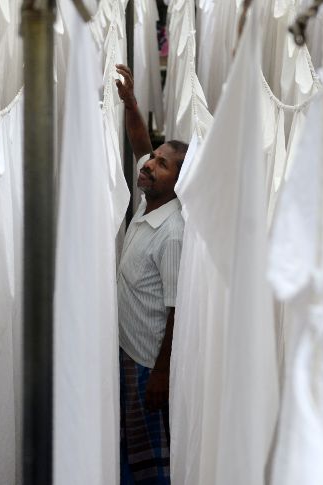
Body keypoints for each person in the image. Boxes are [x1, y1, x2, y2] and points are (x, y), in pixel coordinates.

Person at [115, 63, 187, 485]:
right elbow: (140, 144)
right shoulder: (150, 202)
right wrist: (131, 104)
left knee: (149, 459)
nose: (149, 166)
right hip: (129, 349)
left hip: (146, 361)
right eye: (153, 161)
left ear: (178, 182)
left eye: (162, 165)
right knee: (129, 445)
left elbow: (177, 310)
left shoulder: (172, 232)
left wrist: (161, 373)